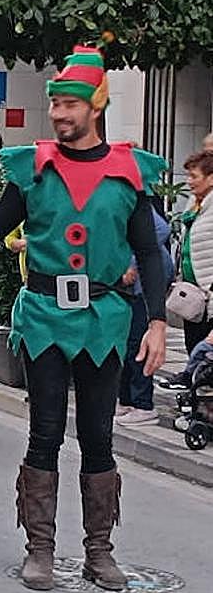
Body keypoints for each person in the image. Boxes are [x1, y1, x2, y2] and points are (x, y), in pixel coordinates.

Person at [0, 46, 167, 592]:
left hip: (104, 319)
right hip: (43, 316)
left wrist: (157, 322)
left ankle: (99, 552)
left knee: (97, 436)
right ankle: (39, 549)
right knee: (43, 434)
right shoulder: (32, 169)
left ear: (97, 106)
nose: (61, 114)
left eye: (71, 104)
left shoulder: (128, 173)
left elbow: (150, 252)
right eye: (56, 105)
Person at [116, 207, 173, 425]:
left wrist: (133, 263)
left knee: (138, 344)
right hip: (127, 288)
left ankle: (143, 404)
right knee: (127, 343)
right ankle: (127, 400)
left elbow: (159, 229)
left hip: (143, 286)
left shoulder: (132, 198)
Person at [177, 151, 213, 354]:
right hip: (193, 294)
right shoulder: (194, 204)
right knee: (194, 348)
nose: (189, 182)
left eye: (194, 176)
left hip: (210, 293)